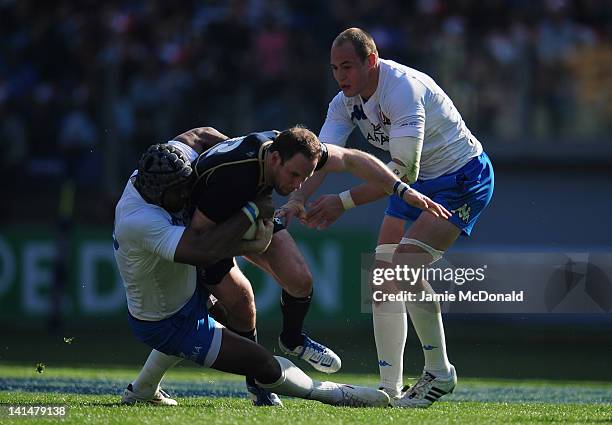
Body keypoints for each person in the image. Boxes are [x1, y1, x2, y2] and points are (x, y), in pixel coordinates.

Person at [121, 125, 449, 406]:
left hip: (250, 208)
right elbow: (204, 246)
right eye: (294, 176)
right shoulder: (223, 184)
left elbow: (350, 159)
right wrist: (253, 232)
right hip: (214, 231)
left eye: (304, 177)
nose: (297, 185)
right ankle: (261, 385)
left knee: (301, 280)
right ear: (274, 159)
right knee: (241, 301)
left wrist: (401, 189)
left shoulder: (288, 146)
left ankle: (292, 339)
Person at [279, 28, 494, 408]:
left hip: (459, 177)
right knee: (383, 279)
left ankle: (439, 373)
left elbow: (404, 172)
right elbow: (321, 158)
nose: (341, 75)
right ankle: (389, 387)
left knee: (404, 266)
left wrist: (341, 203)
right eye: (334, 68)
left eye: (348, 66)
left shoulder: (402, 90)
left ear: (371, 61)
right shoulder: (343, 103)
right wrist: (296, 199)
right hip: (410, 179)